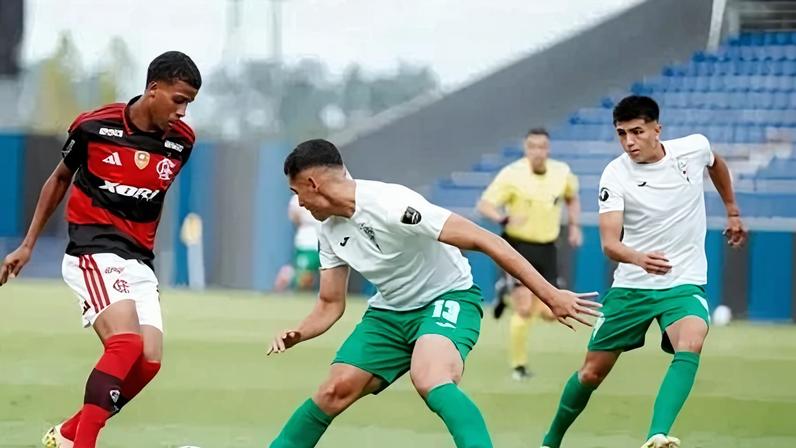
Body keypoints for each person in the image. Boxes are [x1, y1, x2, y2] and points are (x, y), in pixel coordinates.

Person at [267, 139, 602, 448]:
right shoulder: (328, 231)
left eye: (298, 193)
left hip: (448, 298)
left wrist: (551, 295)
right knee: (332, 391)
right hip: (388, 313)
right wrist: (300, 332)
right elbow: (329, 304)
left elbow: (487, 240)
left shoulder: (393, 204)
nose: (299, 203)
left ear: (314, 184)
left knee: (429, 376)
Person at [0, 51, 201, 448]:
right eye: (179, 100)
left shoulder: (182, 143)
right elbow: (58, 180)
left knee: (148, 363)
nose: (183, 112)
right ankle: (84, 443)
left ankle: (68, 433)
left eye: (190, 104)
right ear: (153, 89)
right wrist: (27, 244)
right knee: (125, 344)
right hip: (91, 251)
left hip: (140, 260)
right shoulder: (94, 126)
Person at [540, 96, 747, 448]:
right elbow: (609, 243)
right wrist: (638, 259)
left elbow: (716, 164)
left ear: (657, 129)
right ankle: (550, 441)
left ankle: (657, 435)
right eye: (621, 134)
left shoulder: (693, 149)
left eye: (637, 132)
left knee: (692, 340)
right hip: (632, 286)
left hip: (682, 280)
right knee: (591, 373)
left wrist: (731, 209)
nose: (629, 142)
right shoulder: (615, 174)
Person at [477, 128, 582, 380]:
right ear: (526, 149)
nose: (537, 151)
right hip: (517, 247)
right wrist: (503, 217)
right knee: (524, 308)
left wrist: (575, 225)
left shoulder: (562, 173)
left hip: (548, 248)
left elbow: (572, 197)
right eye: (532, 146)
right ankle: (519, 366)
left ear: (548, 149)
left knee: (550, 312)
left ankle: (505, 292)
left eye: (542, 146)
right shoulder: (512, 174)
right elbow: (484, 204)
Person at [275, 194, 322, 291]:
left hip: (322, 240)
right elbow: (294, 217)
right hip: (307, 241)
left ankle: (286, 276)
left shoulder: (324, 194)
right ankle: (284, 280)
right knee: (304, 275)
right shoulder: (297, 198)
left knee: (311, 275)